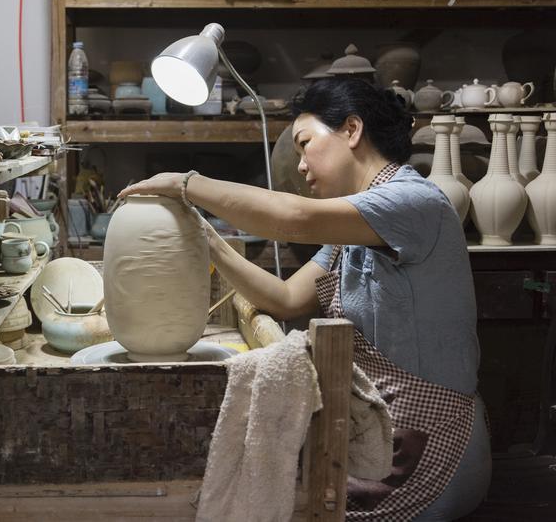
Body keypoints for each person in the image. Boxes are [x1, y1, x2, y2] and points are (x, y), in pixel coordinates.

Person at [118, 78, 491, 521]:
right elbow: (288, 298)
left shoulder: (415, 203)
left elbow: (291, 219)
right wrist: (208, 240)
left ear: (352, 130)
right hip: (377, 429)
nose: (299, 166)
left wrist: (185, 183)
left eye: (305, 143)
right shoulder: (354, 225)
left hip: (427, 441)